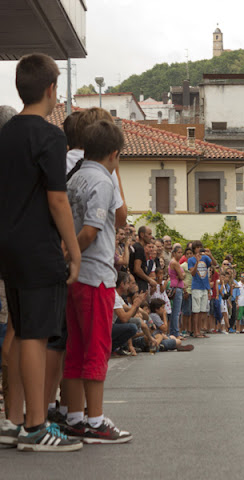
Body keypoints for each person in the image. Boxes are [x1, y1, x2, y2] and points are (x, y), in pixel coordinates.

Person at [0, 54, 83, 452]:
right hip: (37, 246)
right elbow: (57, 200)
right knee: (35, 334)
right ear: (52, 89)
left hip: (8, 246)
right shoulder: (51, 137)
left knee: (18, 331)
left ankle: (13, 420)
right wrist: (74, 250)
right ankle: (36, 426)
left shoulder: (5, 133)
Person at [61, 120, 132, 444]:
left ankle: (75, 417)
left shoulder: (75, 176)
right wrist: (73, 254)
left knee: (75, 348)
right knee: (97, 349)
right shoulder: (102, 181)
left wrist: (68, 257)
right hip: (95, 277)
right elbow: (91, 231)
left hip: (75, 279)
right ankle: (96, 420)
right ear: (114, 154)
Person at [188, 241, 215, 338]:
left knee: (203, 311)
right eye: (197, 247)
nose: (199, 249)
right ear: (194, 249)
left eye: (200, 247)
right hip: (196, 287)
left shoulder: (205, 258)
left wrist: (210, 255)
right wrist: (197, 262)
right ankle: (195, 331)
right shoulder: (191, 260)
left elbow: (215, 264)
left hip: (205, 286)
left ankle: (200, 330)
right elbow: (192, 273)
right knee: (196, 311)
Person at [168, 245, 185, 337]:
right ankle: (175, 332)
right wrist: (183, 274)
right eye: (178, 252)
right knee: (176, 312)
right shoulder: (175, 263)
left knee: (175, 311)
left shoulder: (174, 262)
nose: (180, 254)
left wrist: (182, 275)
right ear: (174, 253)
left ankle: (173, 331)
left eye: (181, 252)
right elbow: (182, 276)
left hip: (177, 287)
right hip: (176, 288)